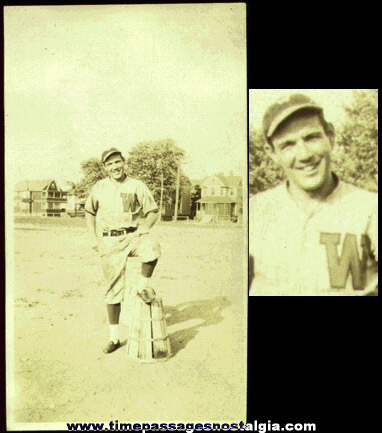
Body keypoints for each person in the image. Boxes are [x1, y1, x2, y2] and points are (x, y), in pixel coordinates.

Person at [249, 93, 378, 296]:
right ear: (272, 153)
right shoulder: (255, 211)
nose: (304, 155)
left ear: (331, 137)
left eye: (311, 137)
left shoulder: (369, 208)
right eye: (288, 145)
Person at [85, 147, 161, 352]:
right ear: (105, 167)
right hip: (109, 240)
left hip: (132, 235)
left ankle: (142, 287)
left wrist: (145, 227)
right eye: (109, 164)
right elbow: (89, 212)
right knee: (113, 291)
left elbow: (153, 211)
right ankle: (114, 338)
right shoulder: (99, 187)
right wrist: (94, 238)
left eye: (117, 162)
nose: (114, 167)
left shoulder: (137, 185)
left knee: (152, 247)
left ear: (123, 162)